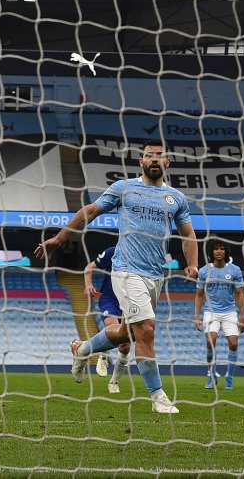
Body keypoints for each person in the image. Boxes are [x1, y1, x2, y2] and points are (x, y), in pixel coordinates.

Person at [36, 143, 198, 415]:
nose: (154, 160)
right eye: (149, 156)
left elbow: (188, 235)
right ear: (141, 161)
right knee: (146, 330)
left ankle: (83, 349)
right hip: (125, 270)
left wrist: (192, 264)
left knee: (127, 334)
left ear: (168, 162)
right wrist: (59, 238)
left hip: (155, 274)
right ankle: (158, 396)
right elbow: (90, 210)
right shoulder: (124, 188)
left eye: (159, 157)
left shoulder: (176, 198)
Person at [195, 240, 244, 390]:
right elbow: (198, 295)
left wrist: (242, 315)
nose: (219, 251)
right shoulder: (204, 271)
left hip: (230, 312)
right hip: (210, 312)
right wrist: (196, 316)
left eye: (222, 249)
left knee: (234, 343)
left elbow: (240, 293)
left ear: (226, 252)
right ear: (211, 252)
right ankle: (211, 376)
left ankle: (229, 378)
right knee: (211, 342)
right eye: (216, 249)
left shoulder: (235, 270)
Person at [83, 245, 130, 394]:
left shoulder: (143, 254)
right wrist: (89, 284)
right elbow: (89, 267)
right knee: (112, 326)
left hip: (130, 302)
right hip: (110, 299)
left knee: (125, 346)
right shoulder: (113, 251)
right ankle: (103, 354)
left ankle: (114, 382)